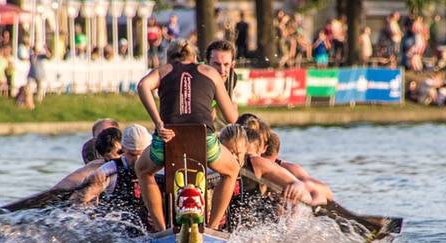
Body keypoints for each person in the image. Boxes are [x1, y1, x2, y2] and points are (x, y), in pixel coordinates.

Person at [135, 38, 240, 231]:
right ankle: (213, 227)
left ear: (171, 59)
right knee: (231, 170)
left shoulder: (164, 70)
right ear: (195, 57)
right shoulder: (210, 73)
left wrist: (158, 123)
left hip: (166, 140)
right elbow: (232, 118)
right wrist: (233, 107)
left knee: (142, 170)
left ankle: (160, 229)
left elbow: (142, 86)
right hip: (204, 142)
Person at [218, 123, 312, 230]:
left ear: (244, 149)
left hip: (259, 232)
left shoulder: (256, 164)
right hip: (231, 231)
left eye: (238, 153)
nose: (234, 159)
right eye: (229, 153)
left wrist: (297, 185)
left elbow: (305, 194)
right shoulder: (215, 165)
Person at [71, 124, 154, 232]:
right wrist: (90, 184)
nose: (137, 160)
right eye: (132, 155)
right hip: (120, 235)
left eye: (141, 154)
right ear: (123, 149)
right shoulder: (110, 170)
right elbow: (79, 200)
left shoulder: (158, 167)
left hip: (153, 231)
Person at [262, 131, 333, 206]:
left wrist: (309, 204)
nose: (268, 166)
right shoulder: (251, 162)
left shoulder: (288, 168)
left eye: (270, 162)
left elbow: (324, 194)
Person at [52, 127, 123, 191]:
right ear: (104, 157)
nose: (118, 162)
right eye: (111, 160)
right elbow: (58, 189)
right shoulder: (99, 168)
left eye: (120, 153)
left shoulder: (131, 159)